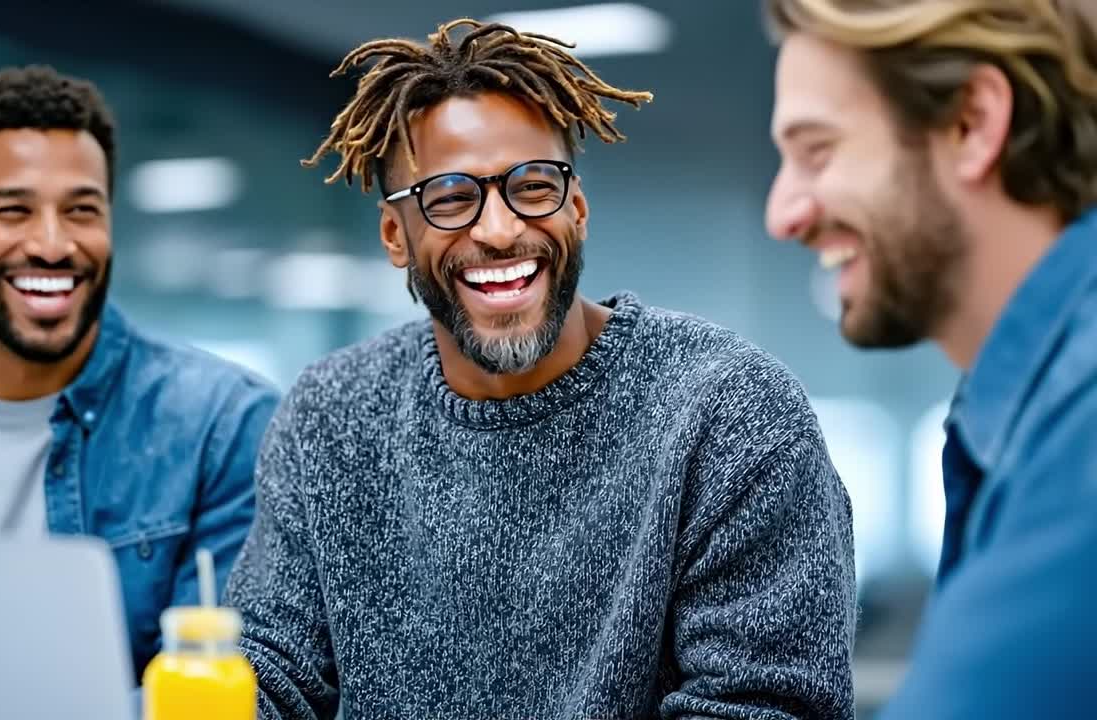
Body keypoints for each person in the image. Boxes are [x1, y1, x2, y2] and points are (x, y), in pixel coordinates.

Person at [223, 18, 856, 719]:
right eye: (451, 198)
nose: (499, 230)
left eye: (531, 186)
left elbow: (761, 709)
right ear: (395, 236)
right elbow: (269, 671)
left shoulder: (729, 414)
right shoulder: (329, 415)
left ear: (577, 208)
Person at [0, 65, 279, 679]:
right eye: (14, 211)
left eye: (82, 211)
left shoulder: (225, 429)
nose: (54, 245)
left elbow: (224, 687)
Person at [763, 1, 1097, 717]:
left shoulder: (1082, 437)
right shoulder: (1027, 416)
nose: (783, 213)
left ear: (971, 124)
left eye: (817, 150)